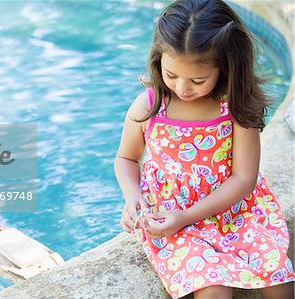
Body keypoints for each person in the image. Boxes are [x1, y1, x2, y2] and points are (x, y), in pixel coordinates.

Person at [114, 0, 295, 298]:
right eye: (171, 75)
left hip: (235, 212)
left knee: (278, 279)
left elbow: (244, 179)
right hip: (174, 219)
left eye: (198, 80)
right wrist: (133, 198)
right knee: (213, 290)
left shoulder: (234, 108)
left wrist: (190, 215)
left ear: (225, 67)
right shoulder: (151, 106)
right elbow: (125, 158)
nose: (182, 88)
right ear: (159, 60)